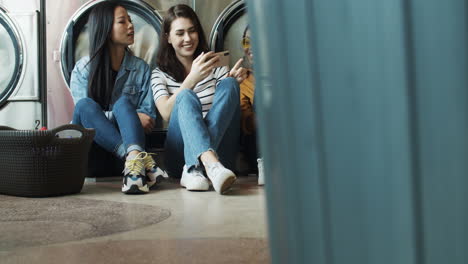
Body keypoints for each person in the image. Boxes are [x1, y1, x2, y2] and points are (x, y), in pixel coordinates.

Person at [70, 1, 166, 194]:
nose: (131, 26)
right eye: (123, 22)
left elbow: (147, 119)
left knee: (124, 103)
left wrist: (119, 114)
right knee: (85, 106)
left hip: (129, 160)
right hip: (93, 157)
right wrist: (126, 117)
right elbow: (85, 119)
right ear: (105, 28)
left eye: (130, 21)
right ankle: (136, 159)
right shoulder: (82, 69)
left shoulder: (141, 69)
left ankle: (134, 162)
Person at [151, 4, 247, 194]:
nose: (188, 38)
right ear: (168, 38)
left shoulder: (216, 67)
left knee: (229, 85)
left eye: (192, 31)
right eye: (180, 33)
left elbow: (226, 112)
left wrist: (233, 85)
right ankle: (200, 165)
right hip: (179, 158)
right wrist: (192, 78)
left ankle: (207, 165)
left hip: (222, 156)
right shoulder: (159, 74)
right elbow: (166, 113)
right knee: (185, 95)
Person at [239, 25, 264, 185]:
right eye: (247, 42)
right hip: (256, 146)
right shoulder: (244, 79)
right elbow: (248, 123)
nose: (250, 48)